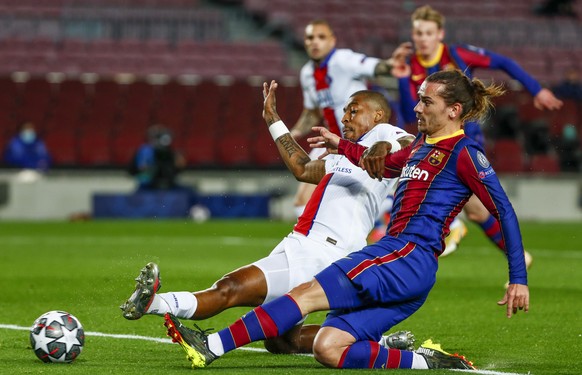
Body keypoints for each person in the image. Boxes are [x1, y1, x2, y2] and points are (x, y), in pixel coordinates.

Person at [164, 72, 529, 370]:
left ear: (454, 110)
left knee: (304, 295)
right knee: (329, 347)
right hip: (409, 269)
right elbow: (384, 165)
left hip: (404, 254)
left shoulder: (464, 152)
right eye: (418, 98)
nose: (417, 107)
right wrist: (342, 145)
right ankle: (426, 363)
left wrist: (518, 278)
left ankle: (211, 344)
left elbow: (504, 211)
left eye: (426, 101)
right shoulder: (421, 146)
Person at [121, 86, 416, 353]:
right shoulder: (343, 157)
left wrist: (385, 145)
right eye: (345, 111)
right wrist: (272, 119)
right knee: (281, 341)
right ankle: (380, 343)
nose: (346, 117)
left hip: (319, 251)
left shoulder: (384, 134)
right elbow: (302, 168)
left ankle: (156, 304)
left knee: (230, 288)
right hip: (311, 247)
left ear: (378, 114)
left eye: (354, 110)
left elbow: (406, 142)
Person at [393, 5, 562, 261]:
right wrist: (402, 80)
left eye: (428, 32)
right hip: (433, 140)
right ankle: (517, 255)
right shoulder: (409, 66)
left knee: (451, 193)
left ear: (440, 34)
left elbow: (503, 62)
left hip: (464, 138)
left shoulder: (456, 54)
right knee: (476, 210)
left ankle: (453, 227)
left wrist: (536, 90)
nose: (423, 38)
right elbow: (408, 114)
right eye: (418, 33)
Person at [289, 19, 407, 237]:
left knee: (367, 189)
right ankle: (337, 236)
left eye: (321, 37)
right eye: (310, 38)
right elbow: (312, 111)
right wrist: (293, 133)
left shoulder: (343, 59)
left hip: (360, 138)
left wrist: (390, 65)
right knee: (302, 201)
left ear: (332, 41)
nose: (315, 42)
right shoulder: (307, 73)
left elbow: (374, 66)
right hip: (331, 141)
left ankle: (377, 219)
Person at [129, 124, 186, 191]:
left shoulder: (170, 152)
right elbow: (137, 169)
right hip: (147, 185)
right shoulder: (144, 150)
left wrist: (178, 162)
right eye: (156, 137)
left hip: (169, 184)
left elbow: (175, 169)